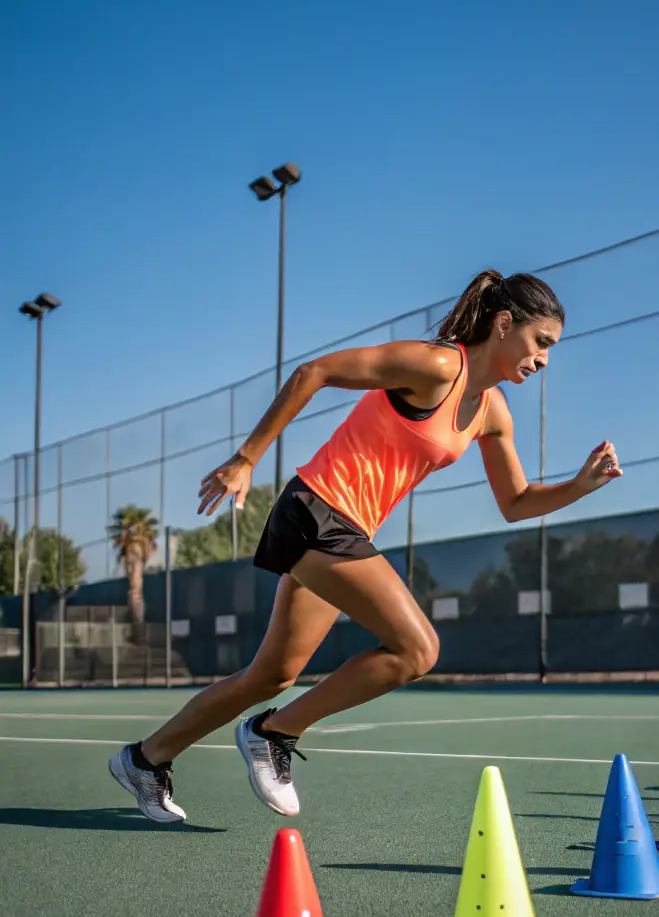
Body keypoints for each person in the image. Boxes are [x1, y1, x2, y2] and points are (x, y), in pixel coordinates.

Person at [108, 270, 621, 823]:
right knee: (416, 650)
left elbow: (515, 502)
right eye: (540, 342)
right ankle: (272, 733)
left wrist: (579, 486)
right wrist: (246, 458)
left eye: (551, 349)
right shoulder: (437, 365)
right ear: (503, 324)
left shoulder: (492, 413)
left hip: (346, 532)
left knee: (270, 675)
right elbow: (317, 371)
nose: (544, 359)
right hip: (316, 511)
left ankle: (144, 759)